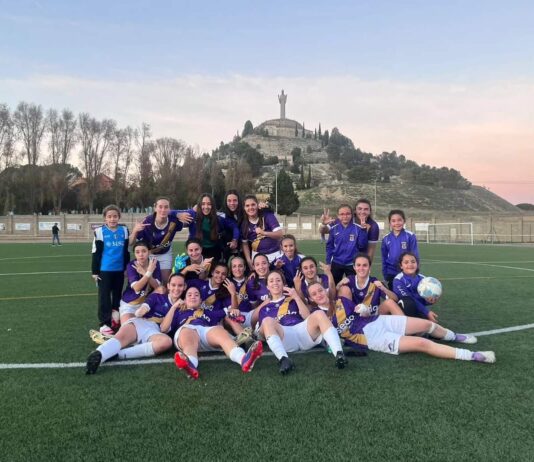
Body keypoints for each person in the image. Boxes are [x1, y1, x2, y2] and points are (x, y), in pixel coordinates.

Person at [307, 282, 496, 364]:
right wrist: (334, 347)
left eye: (320, 291)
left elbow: (361, 311)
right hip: (373, 339)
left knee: (426, 325)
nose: (319, 295)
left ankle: (455, 336)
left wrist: (363, 310)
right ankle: (472, 355)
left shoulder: (341, 301)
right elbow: (328, 344)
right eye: (314, 294)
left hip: (380, 321)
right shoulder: (319, 317)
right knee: (422, 343)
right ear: (312, 299)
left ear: (325, 291)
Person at [85, 273, 187, 374]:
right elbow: (141, 311)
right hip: (141, 323)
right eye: (173, 285)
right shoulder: (157, 297)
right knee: (120, 338)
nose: (176, 288)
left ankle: (118, 354)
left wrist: (174, 307)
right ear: (168, 286)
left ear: (184, 287)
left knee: (166, 342)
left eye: (180, 285)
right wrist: (142, 310)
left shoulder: (182, 308)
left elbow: (164, 329)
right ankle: (99, 355)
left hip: (155, 331)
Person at [256, 270, 347, 374]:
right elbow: (263, 333)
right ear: (267, 286)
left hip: (303, 331)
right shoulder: (264, 308)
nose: (275, 283)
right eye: (271, 281)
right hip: (285, 336)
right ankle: (284, 360)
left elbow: (307, 316)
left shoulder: (293, 299)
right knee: (267, 321)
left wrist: (296, 297)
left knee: (319, 313)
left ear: (284, 284)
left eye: (278, 280)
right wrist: (273, 324)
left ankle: (339, 354)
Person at [173, 286, 264, 380]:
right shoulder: (178, 312)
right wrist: (174, 307)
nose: (193, 297)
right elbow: (164, 328)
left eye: (196, 295)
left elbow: (228, 311)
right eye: (189, 295)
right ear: (184, 299)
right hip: (186, 332)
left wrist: (234, 310)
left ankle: (244, 359)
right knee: (188, 332)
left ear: (201, 300)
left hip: (205, 333)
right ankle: (190, 365)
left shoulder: (208, 313)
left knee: (219, 330)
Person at [130, 197, 191, 284]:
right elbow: (130, 243)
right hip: (149, 254)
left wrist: (177, 213)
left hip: (165, 253)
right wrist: (135, 231)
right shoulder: (147, 221)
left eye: (166, 207)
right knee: (148, 281)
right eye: (160, 207)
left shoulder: (174, 221)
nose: (163, 210)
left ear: (169, 209)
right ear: (155, 207)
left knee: (166, 282)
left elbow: (192, 215)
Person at [91, 205, 130, 336]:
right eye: (109, 216)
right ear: (105, 218)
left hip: (119, 270)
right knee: (104, 298)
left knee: (118, 296)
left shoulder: (124, 230)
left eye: (115, 216)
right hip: (104, 271)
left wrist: (126, 268)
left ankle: (115, 319)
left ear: (119, 217)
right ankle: (104, 324)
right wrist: (95, 272)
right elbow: (95, 253)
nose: (112, 219)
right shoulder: (99, 232)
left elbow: (126, 251)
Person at [336, 253, 403, 316]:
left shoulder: (375, 282)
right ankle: (348, 324)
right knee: (344, 289)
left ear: (369, 267)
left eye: (365, 265)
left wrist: (383, 288)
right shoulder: (349, 281)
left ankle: (406, 325)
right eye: (358, 265)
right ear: (354, 267)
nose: (361, 268)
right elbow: (332, 299)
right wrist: (338, 285)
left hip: (373, 317)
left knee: (390, 302)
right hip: (354, 319)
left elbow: (395, 299)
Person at [182, 193, 239, 261]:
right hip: (196, 251)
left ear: (213, 205)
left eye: (209, 204)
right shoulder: (193, 215)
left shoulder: (219, 218)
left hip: (214, 251)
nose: (206, 207)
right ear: (199, 205)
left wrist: (234, 240)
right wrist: (191, 211)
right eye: (203, 204)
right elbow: (171, 213)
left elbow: (235, 227)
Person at [117, 240, 162, 324]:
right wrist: (148, 273)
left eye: (144, 251)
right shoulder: (131, 265)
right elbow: (137, 287)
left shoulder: (154, 264)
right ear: (134, 254)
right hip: (130, 304)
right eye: (137, 252)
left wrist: (145, 273)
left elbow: (157, 287)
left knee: (162, 289)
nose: (141, 254)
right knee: (128, 327)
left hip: (146, 304)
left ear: (149, 252)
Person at [325, 204, 368, 284]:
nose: (345, 216)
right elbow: (329, 247)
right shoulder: (334, 229)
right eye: (342, 214)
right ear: (338, 216)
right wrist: (328, 263)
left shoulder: (358, 228)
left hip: (352, 264)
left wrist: (363, 230)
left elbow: (362, 245)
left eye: (348, 214)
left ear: (351, 215)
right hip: (336, 263)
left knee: (353, 286)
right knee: (334, 285)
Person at [241, 194, 284, 270]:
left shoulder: (267, 216)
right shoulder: (244, 224)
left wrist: (264, 233)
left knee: (276, 279)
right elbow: (245, 243)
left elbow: (280, 234)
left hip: (275, 254)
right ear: (244, 208)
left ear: (257, 205)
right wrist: (248, 260)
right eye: (247, 206)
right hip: (258, 257)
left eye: (253, 204)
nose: (250, 207)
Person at [393, 252, 438, 322]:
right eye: (406, 262)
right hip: (404, 312)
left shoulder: (424, 279)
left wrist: (430, 300)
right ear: (401, 266)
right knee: (408, 301)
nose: (410, 264)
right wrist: (427, 312)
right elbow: (409, 299)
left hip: (419, 310)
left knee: (428, 328)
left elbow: (424, 300)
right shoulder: (398, 280)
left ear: (417, 264)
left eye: (413, 262)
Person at [381, 209, 419, 289]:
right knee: (394, 296)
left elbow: (415, 256)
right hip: (391, 272)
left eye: (399, 220)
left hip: (406, 271)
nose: (397, 223)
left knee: (406, 295)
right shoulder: (386, 239)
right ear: (390, 223)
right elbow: (384, 258)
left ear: (404, 221)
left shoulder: (410, 236)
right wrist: (385, 273)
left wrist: (415, 271)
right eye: (393, 221)